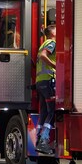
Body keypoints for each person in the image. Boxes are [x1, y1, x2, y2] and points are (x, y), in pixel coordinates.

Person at [35, 24, 57, 153]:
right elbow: (44, 56)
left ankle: (38, 139)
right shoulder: (51, 43)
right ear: (52, 33)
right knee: (52, 112)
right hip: (48, 80)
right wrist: (55, 65)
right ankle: (43, 140)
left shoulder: (42, 44)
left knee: (43, 113)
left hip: (40, 82)